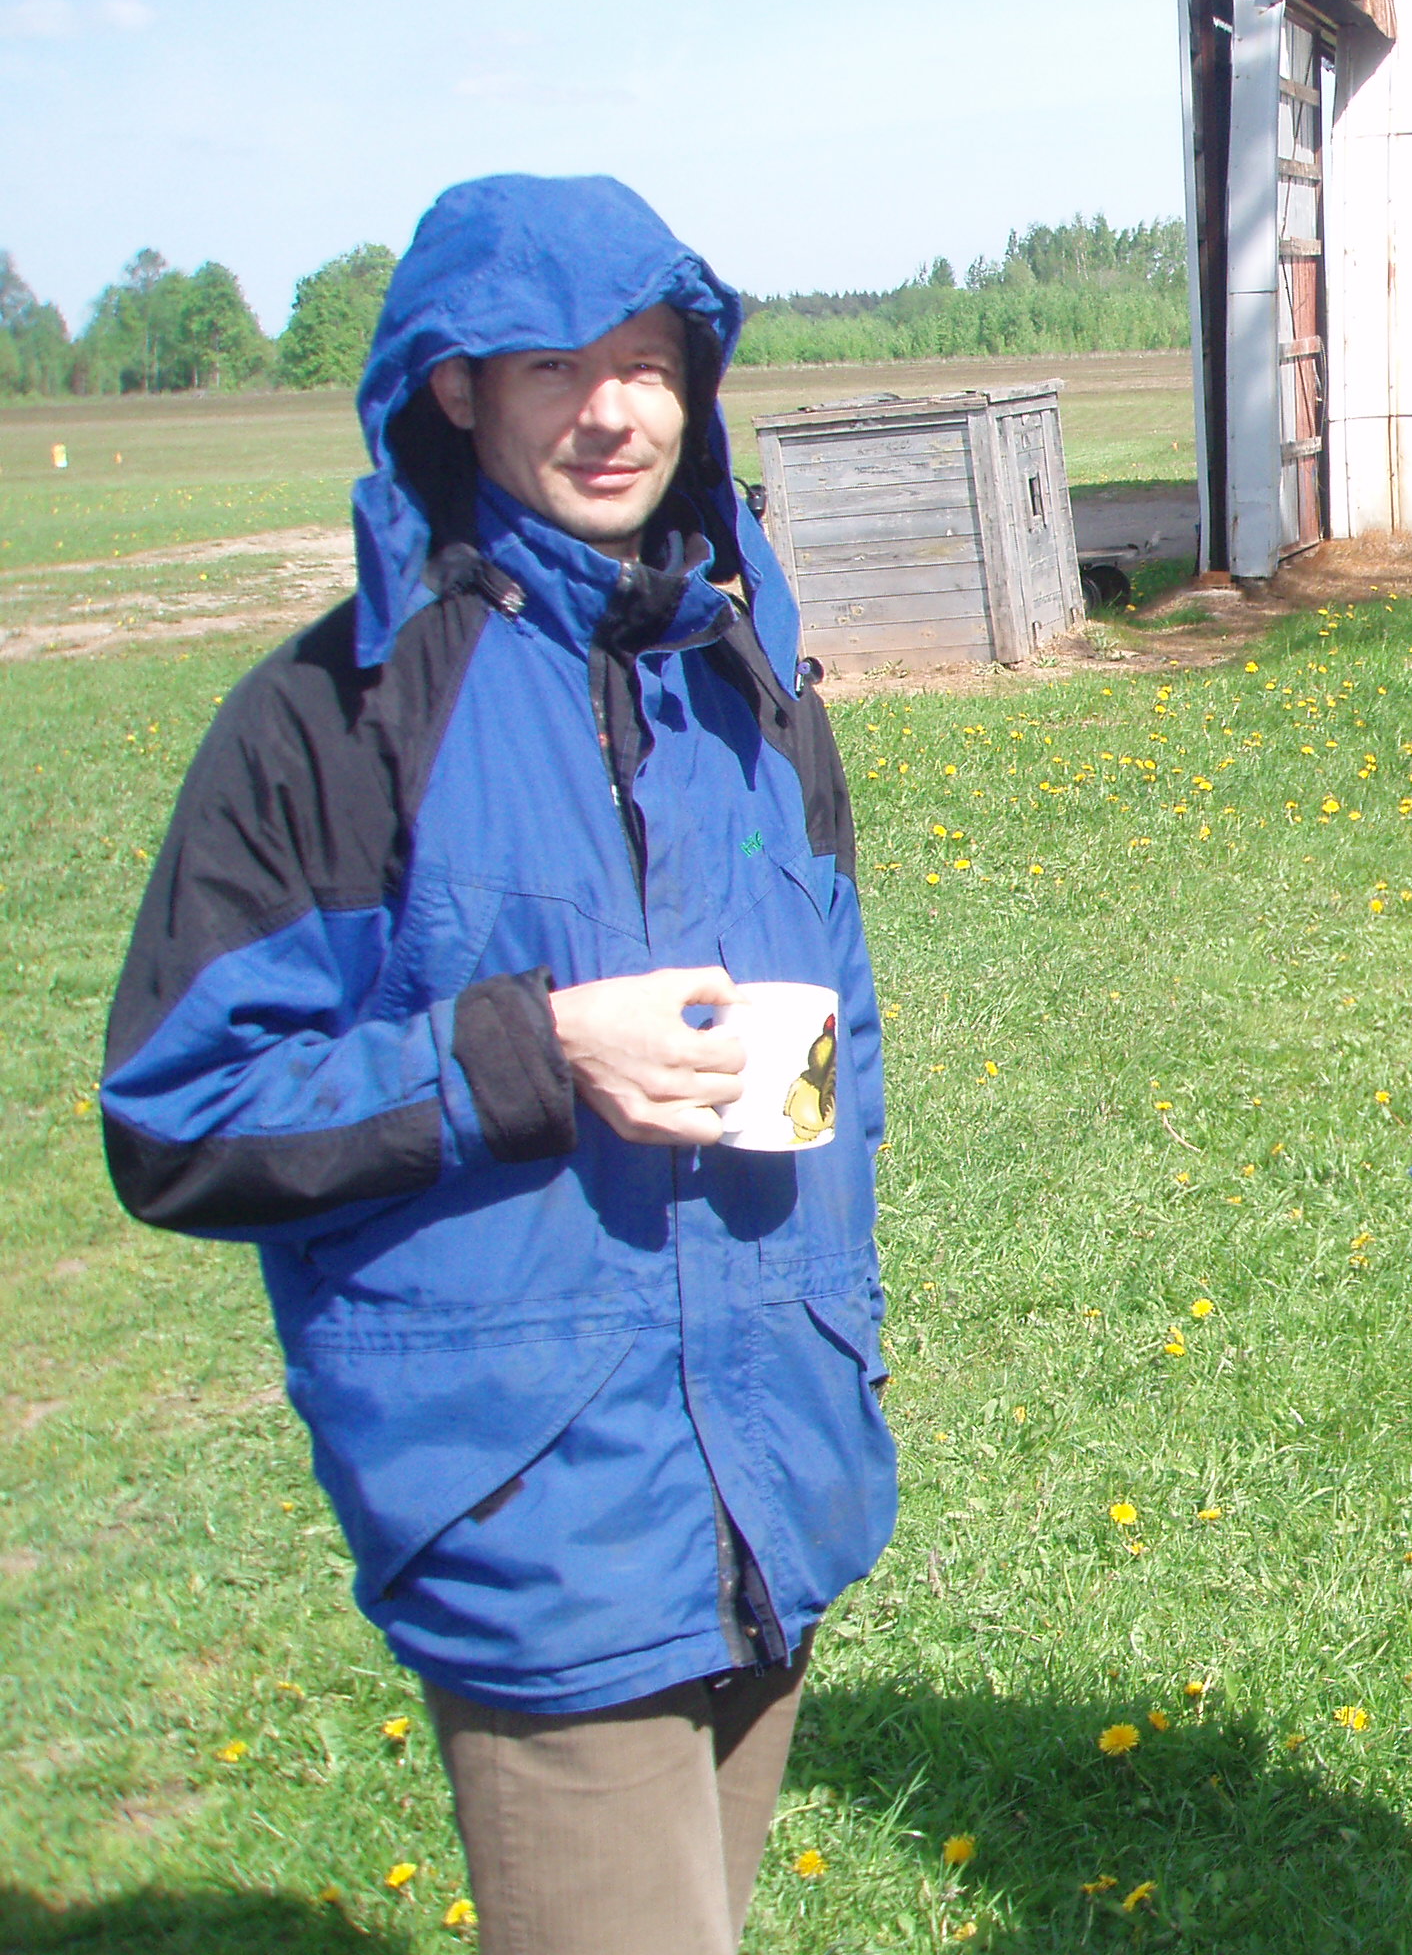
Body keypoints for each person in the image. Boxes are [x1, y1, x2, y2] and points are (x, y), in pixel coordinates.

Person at [101, 175, 897, 1955]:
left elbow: (844, 1045)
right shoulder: (340, 716)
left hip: (768, 1490)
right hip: (539, 1510)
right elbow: (181, 1115)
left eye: (649, 364)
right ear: (455, 391)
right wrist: (532, 1052)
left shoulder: (747, 687)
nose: (614, 412)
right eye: (555, 367)